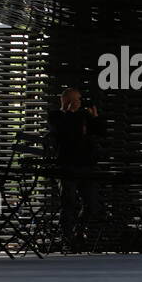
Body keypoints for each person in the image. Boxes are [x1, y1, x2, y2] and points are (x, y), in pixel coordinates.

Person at [48, 88, 105, 250]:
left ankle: (79, 232)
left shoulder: (84, 116)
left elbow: (101, 132)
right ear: (68, 100)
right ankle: (67, 238)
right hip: (67, 166)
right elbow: (63, 132)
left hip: (87, 165)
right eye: (78, 99)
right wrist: (69, 113)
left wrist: (94, 118)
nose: (80, 102)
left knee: (92, 204)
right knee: (69, 203)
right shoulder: (56, 116)